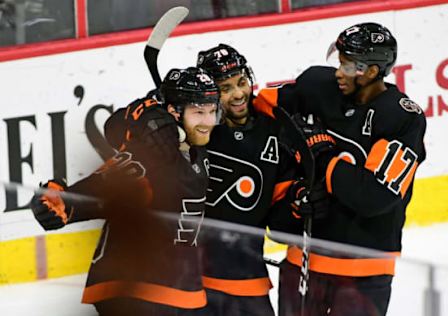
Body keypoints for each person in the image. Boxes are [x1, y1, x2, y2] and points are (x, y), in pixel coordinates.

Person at [254, 23, 427, 316]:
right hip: (304, 258)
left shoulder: (401, 118)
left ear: (371, 71)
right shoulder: (316, 86)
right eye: (339, 62)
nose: (338, 72)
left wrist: (321, 156)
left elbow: (374, 195)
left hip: (365, 270)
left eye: (347, 66)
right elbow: (256, 107)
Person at [30, 67, 219, 316]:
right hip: (136, 290)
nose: (208, 121)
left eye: (211, 111)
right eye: (198, 112)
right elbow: (112, 182)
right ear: (174, 112)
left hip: (177, 289)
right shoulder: (154, 153)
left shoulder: (196, 146)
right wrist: (67, 203)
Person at [195, 44, 298, 316]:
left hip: (248, 283)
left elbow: (280, 223)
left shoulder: (273, 130)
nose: (239, 94)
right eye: (225, 88)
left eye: (241, 82)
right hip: (190, 283)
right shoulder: (194, 131)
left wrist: (300, 203)